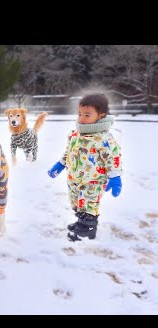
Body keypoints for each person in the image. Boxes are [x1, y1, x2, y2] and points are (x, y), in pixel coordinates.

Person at [47, 93, 123, 242]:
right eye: (79, 114)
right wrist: (60, 164)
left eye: (87, 115)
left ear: (101, 116)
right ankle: (81, 222)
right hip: (74, 178)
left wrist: (115, 177)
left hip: (93, 180)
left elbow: (113, 158)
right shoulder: (76, 134)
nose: (81, 118)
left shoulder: (103, 138)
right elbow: (69, 152)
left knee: (89, 203)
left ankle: (88, 229)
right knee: (76, 201)